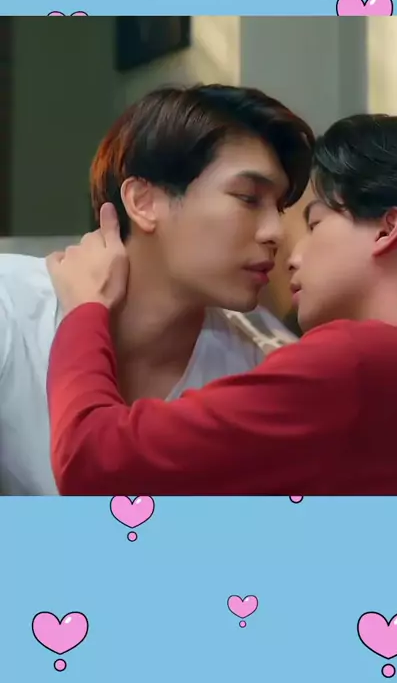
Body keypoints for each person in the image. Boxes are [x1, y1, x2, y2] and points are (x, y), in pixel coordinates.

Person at [46, 113, 397, 496]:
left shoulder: (355, 364)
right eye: (249, 200)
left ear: (387, 230)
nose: (289, 251)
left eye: (315, 223)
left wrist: (85, 310)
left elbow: (94, 463)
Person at [0, 84, 314, 494]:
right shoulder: (10, 306)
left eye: (279, 207)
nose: (275, 232)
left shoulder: (264, 365)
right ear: (143, 202)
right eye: (248, 198)